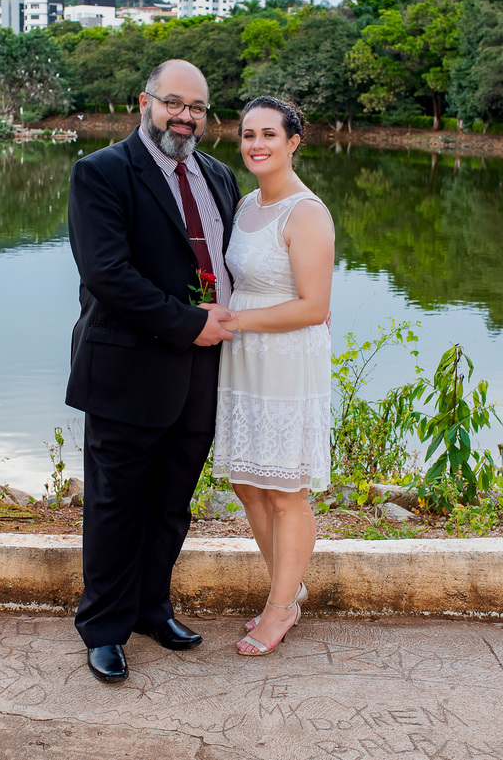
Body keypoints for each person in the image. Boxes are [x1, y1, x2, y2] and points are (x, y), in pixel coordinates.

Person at [65, 59, 241, 682]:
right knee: (116, 505)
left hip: (201, 373)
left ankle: (151, 607)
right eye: (174, 103)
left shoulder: (220, 178)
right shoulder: (102, 173)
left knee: (171, 503)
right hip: (128, 369)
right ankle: (105, 627)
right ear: (144, 102)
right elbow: (107, 274)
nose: (186, 117)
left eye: (197, 107)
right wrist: (188, 321)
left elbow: (229, 267)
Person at [208, 96, 335, 657]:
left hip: (285, 354)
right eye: (248, 135)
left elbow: (313, 306)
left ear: (293, 141)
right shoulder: (245, 206)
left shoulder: (307, 213)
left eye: (269, 135)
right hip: (244, 357)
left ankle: (281, 606)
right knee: (245, 478)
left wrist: (237, 320)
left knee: (286, 487)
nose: (256, 144)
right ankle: (290, 583)